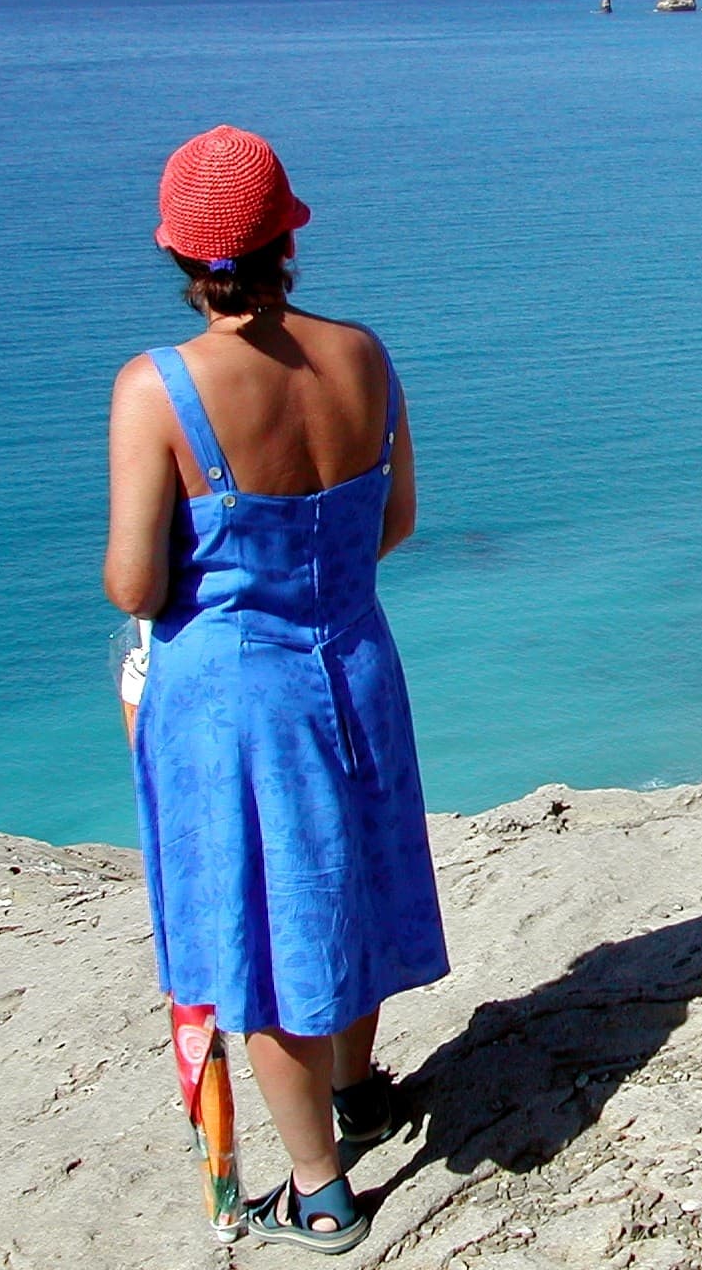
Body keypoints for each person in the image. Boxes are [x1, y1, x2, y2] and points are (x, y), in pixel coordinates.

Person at [104, 125, 449, 1254]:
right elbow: (392, 522)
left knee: (257, 937)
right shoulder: (364, 355)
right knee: (352, 872)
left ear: (177, 253)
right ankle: (359, 1086)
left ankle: (319, 1189)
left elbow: (135, 581)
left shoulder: (157, 389)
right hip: (351, 657)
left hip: (237, 701)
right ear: (288, 234)